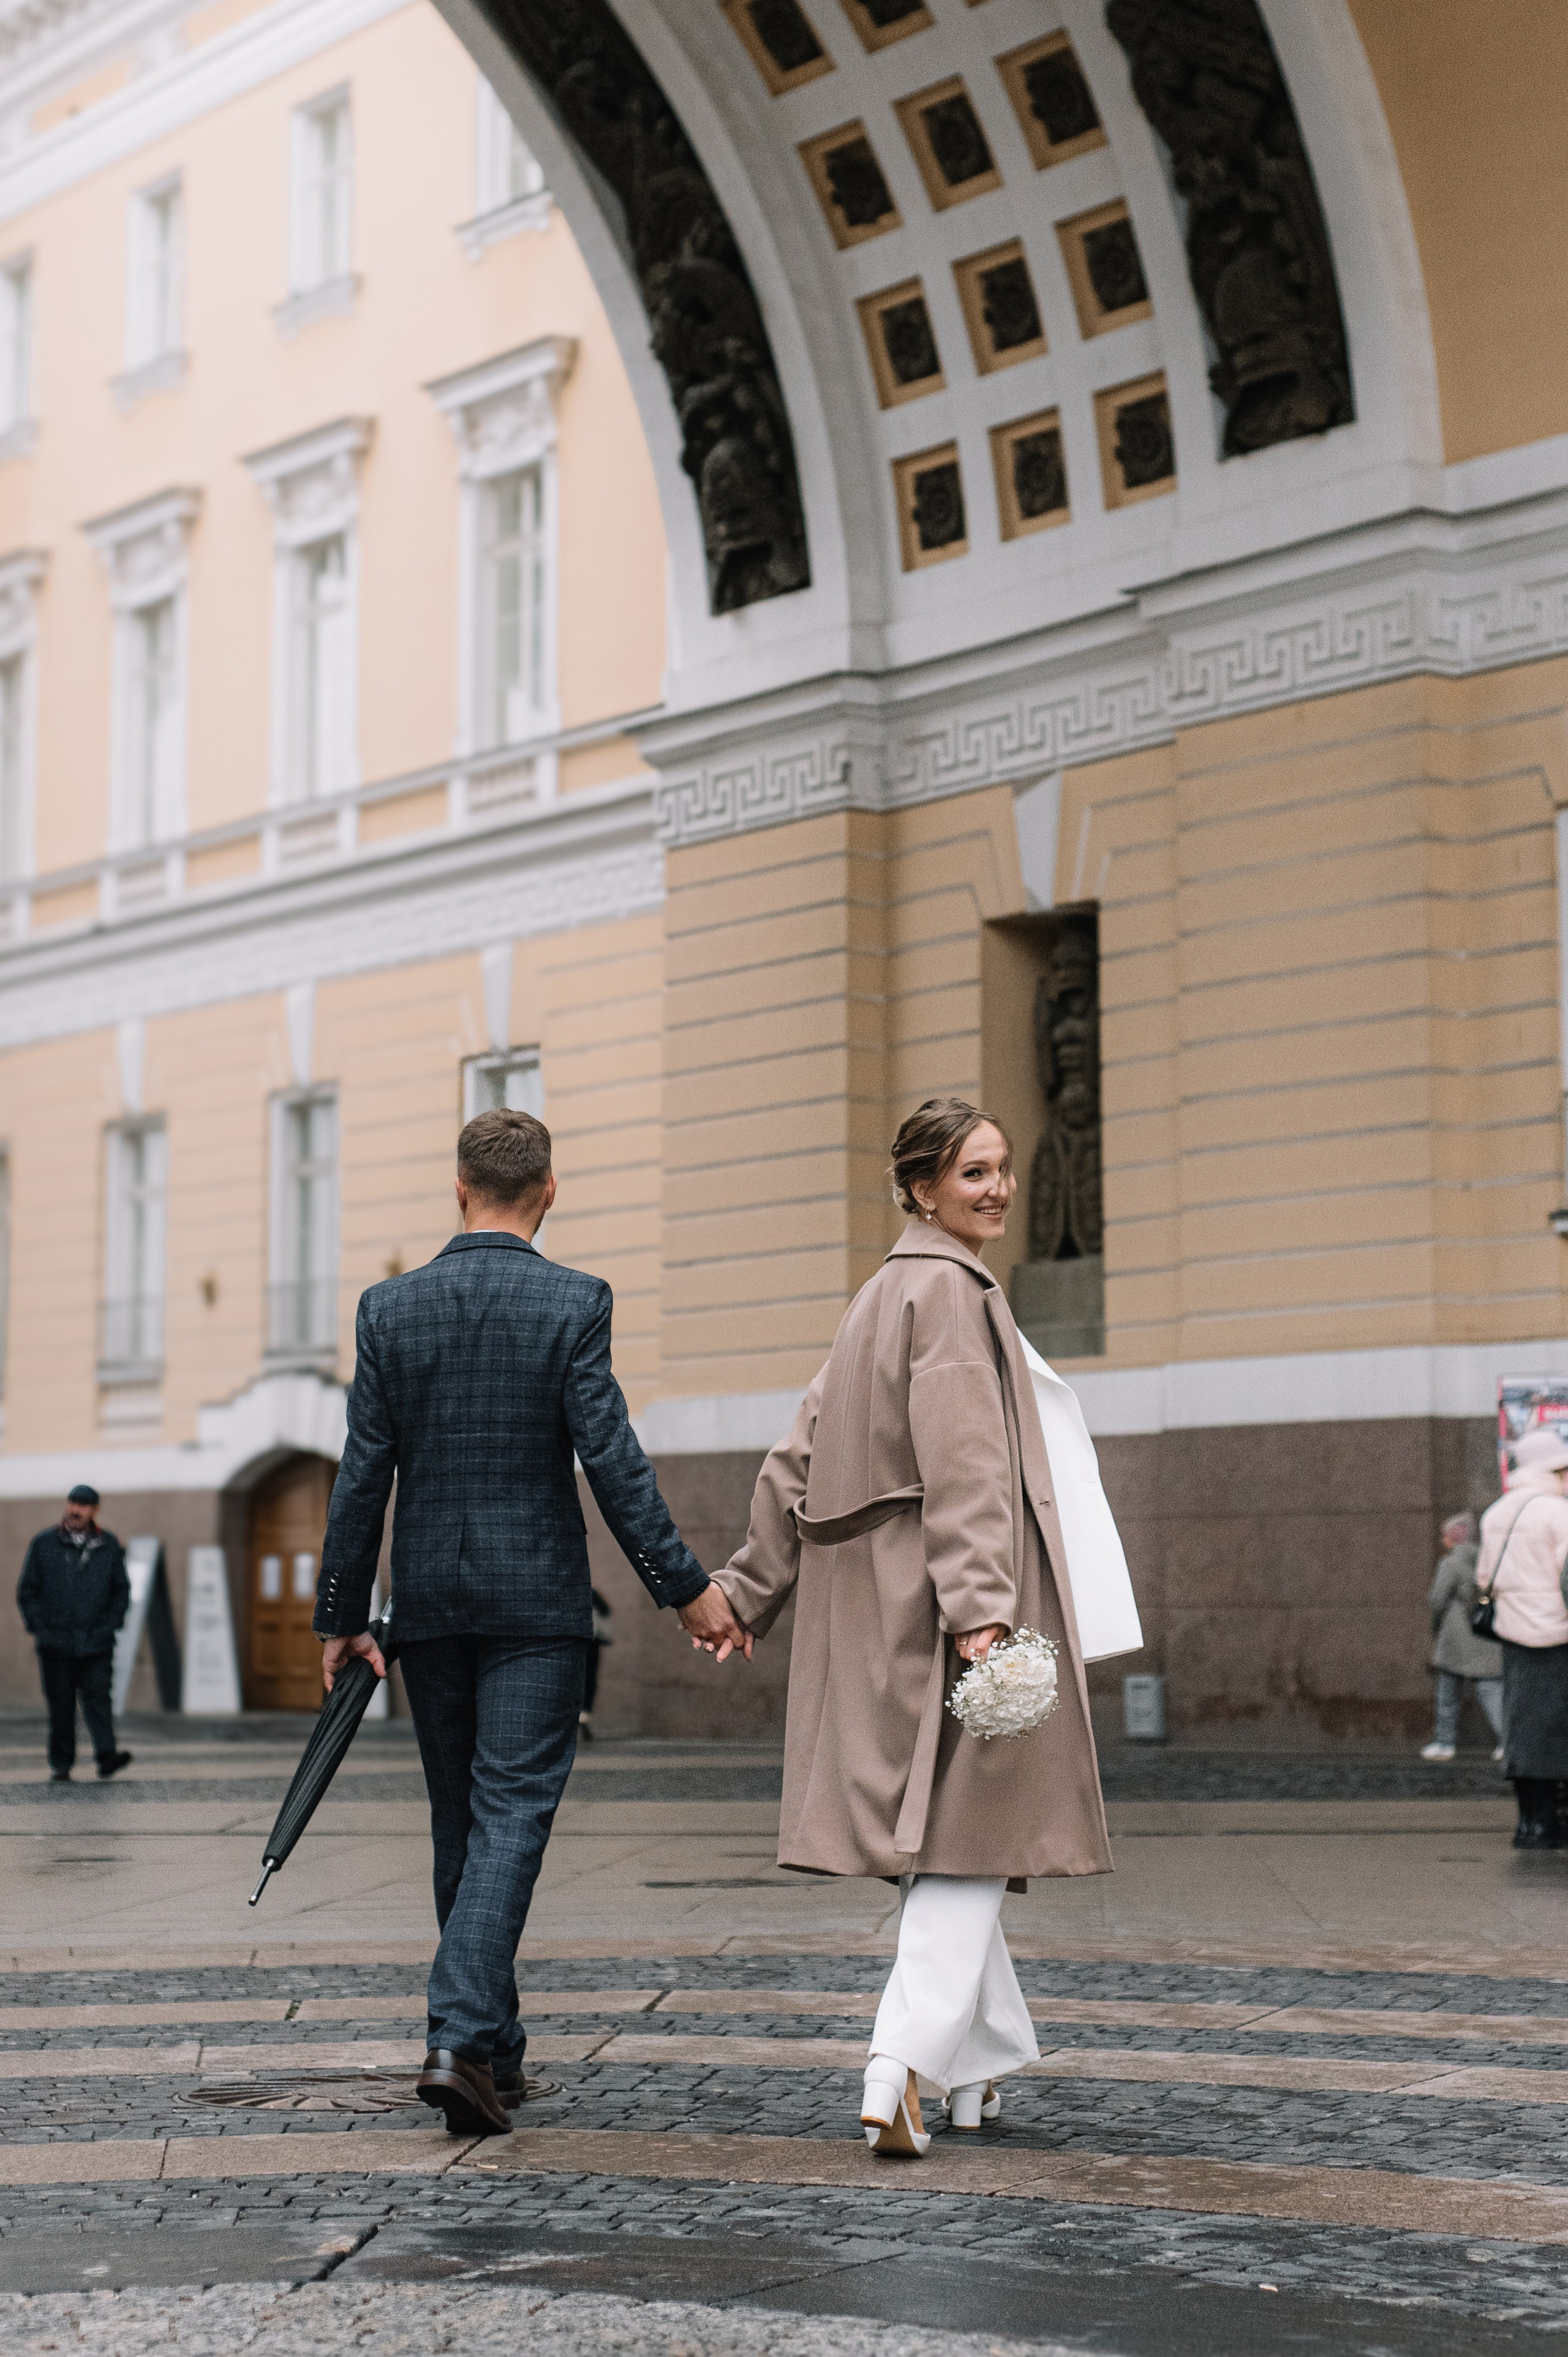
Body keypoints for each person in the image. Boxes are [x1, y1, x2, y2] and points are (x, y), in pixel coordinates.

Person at [312, 1107, 746, 2137]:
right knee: (511, 1814)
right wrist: (686, 1586)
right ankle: (460, 2033)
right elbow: (613, 1461)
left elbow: (363, 1475)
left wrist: (342, 1612)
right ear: (550, 1192)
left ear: (458, 1189)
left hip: (428, 1606)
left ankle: (493, 2048)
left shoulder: (389, 1311)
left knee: (461, 1822)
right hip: (537, 1607)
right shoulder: (574, 1301)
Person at [708, 1097, 1114, 2155]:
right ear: (923, 1186)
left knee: (967, 1828)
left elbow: (792, 1458)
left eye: (1002, 1167)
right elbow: (970, 1462)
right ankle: (900, 2058)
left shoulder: (880, 1293)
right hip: (953, 1609)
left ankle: (976, 2072)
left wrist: (750, 1590)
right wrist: (984, 1613)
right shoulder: (953, 1292)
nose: (997, 1188)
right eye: (972, 1172)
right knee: (974, 1841)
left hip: (877, 1610)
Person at [1475, 1428, 1568, 1849]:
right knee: (1559, 1728)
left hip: (1514, 1636)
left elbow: (1483, 1579)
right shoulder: (1557, 1512)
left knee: (1524, 1727)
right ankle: (1555, 1821)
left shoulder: (1495, 1513)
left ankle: (1531, 1824)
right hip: (1559, 1635)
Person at [16, 1485, 133, 1784]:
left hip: (97, 1642)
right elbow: (27, 1591)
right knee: (61, 1704)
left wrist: (111, 1625)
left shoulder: (107, 1545)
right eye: (73, 1503)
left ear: (94, 1509)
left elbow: (121, 1590)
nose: (76, 1509)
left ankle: (107, 1757)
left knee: (99, 1700)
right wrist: (40, 1629)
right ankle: (61, 1764)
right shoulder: (44, 1543)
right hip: (56, 1644)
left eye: (83, 1505)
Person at [1422, 1511, 1503, 1763]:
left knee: (1448, 1694)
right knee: (1491, 1691)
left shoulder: (1450, 1563)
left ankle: (1445, 1743)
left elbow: (1437, 1600)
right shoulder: (1489, 1560)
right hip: (1486, 1634)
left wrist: (1436, 1627)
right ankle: (1507, 1743)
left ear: (1451, 1538)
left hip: (1456, 1637)